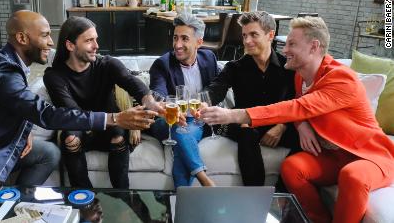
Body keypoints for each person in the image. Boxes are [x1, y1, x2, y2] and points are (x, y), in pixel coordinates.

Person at [0, 10, 157, 223]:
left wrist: (24, 130)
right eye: (45, 35)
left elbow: (14, 106)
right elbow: (44, 113)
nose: (51, 42)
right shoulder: (4, 71)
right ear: (22, 38)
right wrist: (114, 119)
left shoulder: (14, 65)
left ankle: (12, 205)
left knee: (48, 153)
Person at [200, 16, 394, 223]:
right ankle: (315, 220)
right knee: (292, 167)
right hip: (332, 156)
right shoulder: (300, 74)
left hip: (368, 156)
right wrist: (302, 125)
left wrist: (231, 114)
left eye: (292, 44)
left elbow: (298, 106)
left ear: (314, 47)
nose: (284, 50)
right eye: (244, 35)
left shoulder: (341, 78)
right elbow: (299, 105)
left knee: (352, 176)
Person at [44, 16, 162, 189]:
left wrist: (151, 103)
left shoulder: (107, 64)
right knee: (70, 137)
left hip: (112, 126)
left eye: (96, 39)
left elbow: (133, 83)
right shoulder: (54, 76)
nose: (96, 46)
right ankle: (85, 197)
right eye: (89, 40)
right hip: (80, 126)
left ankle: (122, 193)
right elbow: (72, 112)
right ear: (70, 45)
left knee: (118, 135)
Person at [205, 11, 300, 188]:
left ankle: (281, 196)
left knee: (307, 138)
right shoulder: (235, 67)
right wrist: (203, 101)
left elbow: (296, 102)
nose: (247, 41)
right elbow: (215, 90)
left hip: (277, 124)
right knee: (246, 133)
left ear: (270, 35)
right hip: (245, 125)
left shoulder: (288, 68)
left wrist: (281, 126)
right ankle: (254, 196)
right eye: (244, 35)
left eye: (254, 35)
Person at [149, 12, 219, 187]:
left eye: (185, 39)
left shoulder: (209, 58)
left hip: (196, 121)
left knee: (182, 149)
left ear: (199, 43)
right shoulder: (162, 64)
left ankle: (179, 203)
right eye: (175, 38)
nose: (177, 45)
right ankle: (204, 179)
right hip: (167, 121)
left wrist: (206, 105)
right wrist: (163, 105)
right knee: (181, 131)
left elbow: (216, 89)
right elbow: (158, 92)